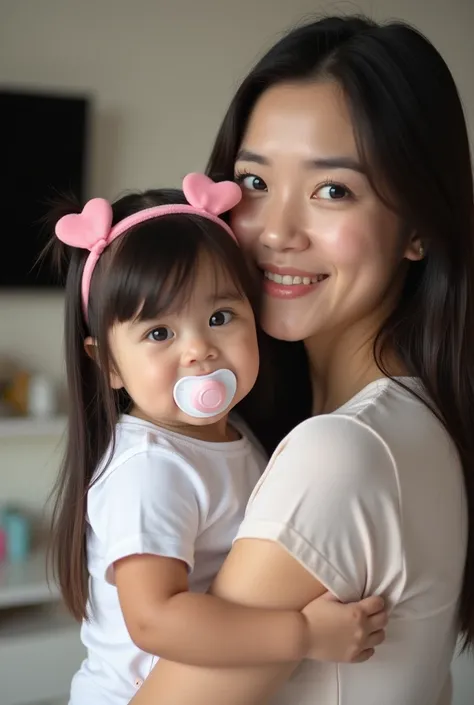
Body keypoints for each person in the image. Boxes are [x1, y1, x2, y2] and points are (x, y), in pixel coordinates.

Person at [130, 14, 474, 705]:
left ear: (418, 229)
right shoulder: (412, 420)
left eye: (332, 190)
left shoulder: (342, 452)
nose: (274, 232)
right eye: (253, 183)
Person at [47, 173, 386, 705]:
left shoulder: (238, 436)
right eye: (159, 333)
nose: (199, 349)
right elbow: (156, 619)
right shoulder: (148, 468)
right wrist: (305, 634)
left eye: (220, 317)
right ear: (108, 364)